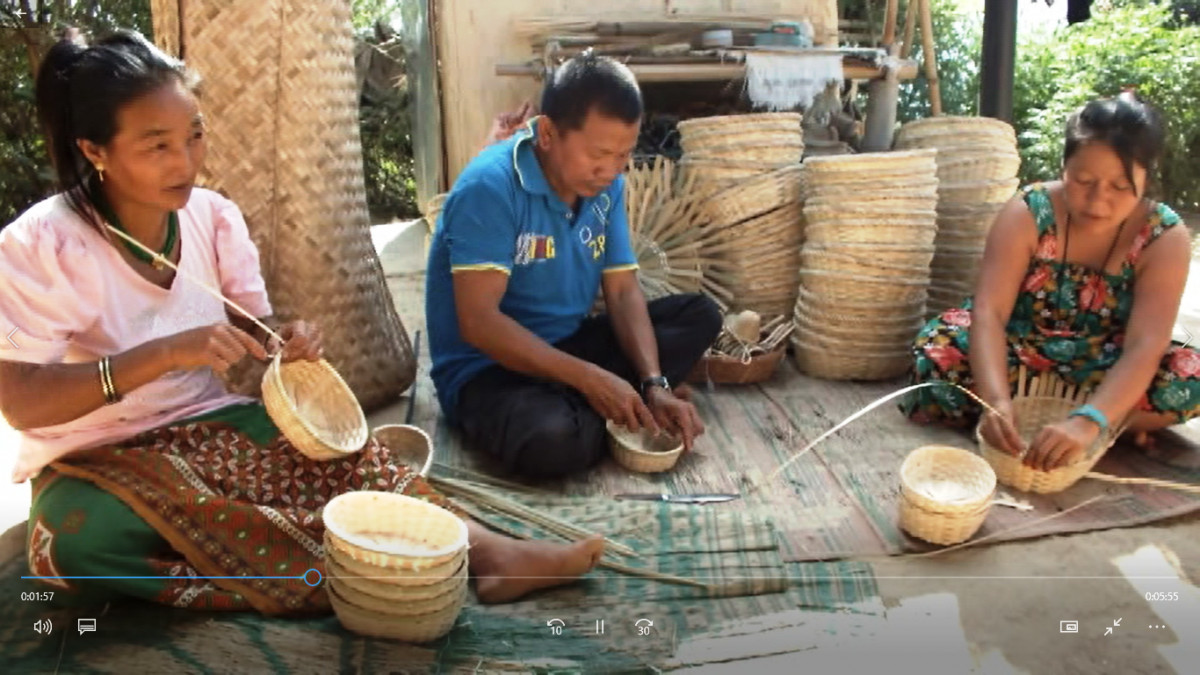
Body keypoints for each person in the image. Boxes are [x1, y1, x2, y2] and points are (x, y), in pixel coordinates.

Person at [0, 30, 603, 614]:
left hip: (207, 427)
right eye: (157, 145)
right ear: (94, 150)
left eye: (195, 135)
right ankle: (340, 571)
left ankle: (486, 552)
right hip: (93, 457)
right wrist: (160, 355)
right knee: (70, 545)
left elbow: (255, 324)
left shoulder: (213, 218)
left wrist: (282, 343)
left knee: (346, 459)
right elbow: (21, 404)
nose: (185, 160)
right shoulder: (42, 246)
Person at [425, 52, 722, 480]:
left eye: (624, 155)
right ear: (548, 133)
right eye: (599, 154)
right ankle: (598, 408)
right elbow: (479, 324)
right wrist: (592, 380)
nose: (612, 170)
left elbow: (621, 290)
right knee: (550, 441)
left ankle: (627, 401)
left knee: (698, 316)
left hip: (568, 345)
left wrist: (654, 382)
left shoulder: (606, 185)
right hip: (487, 370)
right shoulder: (489, 187)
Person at [903, 94, 1198, 471]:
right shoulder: (1029, 211)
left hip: (1104, 361)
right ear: (1063, 167)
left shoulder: (1164, 237)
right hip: (1019, 350)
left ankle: (1094, 422)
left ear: (1146, 181)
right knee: (936, 354)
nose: (1098, 200)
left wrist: (1091, 419)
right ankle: (1043, 421)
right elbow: (990, 314)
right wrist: (996, 400)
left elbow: (1145, 344)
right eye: (1083, 180)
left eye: (1120, 187)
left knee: (1190, 377)